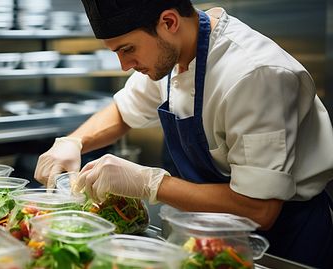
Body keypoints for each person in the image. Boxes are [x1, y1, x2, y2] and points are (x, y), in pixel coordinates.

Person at [34, 0, 333, 267]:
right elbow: (124, 111)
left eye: (127, 49)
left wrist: (148, 182)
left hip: (283, 243)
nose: (124, 65)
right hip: (207, 233)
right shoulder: (171, 55)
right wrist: (75, 141)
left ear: (169, 22)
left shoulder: (255, 75)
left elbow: (259, 209)